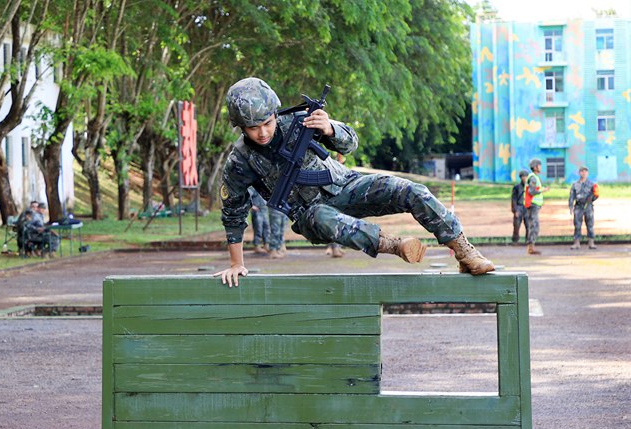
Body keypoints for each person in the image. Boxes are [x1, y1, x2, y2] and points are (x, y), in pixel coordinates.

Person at [214, 77, 493, 286]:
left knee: (410, 190)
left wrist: (331, 128)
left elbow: (349, 144)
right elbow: (233, 214)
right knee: (325, 219)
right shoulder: (240, 160)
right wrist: (237, 263)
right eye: (253, 128)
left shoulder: (300, 121)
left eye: (267, 123)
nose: (262, 132)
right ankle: (395, 245)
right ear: (240, 126)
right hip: (310, 214)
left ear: (275, 113)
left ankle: (464, 251)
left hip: (346, 185)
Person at [568, 166, 599, 250]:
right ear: (579, 173)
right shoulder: (575, 184)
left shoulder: (592, 184)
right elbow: (572, 196)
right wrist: (571, 206)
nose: (583, 173)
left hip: (588, 206)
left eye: (585, 171)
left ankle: (591, 243)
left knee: (590, 224)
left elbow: (596, 194)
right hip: (578, 206)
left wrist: (591, 198)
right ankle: (577, 243)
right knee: (577, 225)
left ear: (587, 173)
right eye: (582, 171)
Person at [525, 158, 549, 255]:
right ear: (535, 167)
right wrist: (543, 190)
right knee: (534, 226)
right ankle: (531, 247)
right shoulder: (533, 178)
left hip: (534, 205)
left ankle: (531, 247)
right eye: (539, 165)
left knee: (534, 226)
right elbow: (531, 191)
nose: (540, 167)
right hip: (533, 205)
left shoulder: (534, 177)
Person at [249, 188, 270, 254]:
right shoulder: (254, 187)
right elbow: (247, 197)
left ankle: (266, 244)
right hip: (257, 211)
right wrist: (252, 206)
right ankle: (257, 246)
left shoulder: (264, 186)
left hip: (264, 209)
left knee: (266, 228)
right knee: (258, 228)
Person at [511, 170, 529, 244]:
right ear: (520, 178)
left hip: (527, 207)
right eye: (522, 177)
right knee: (516, 225)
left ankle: (528, 240)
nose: (524, 178)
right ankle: (515, 240)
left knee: (528, 225)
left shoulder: (529, 187)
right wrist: (515, 210)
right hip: (519, 206)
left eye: (525, 176)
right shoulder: (517, 187)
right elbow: (514, 199)